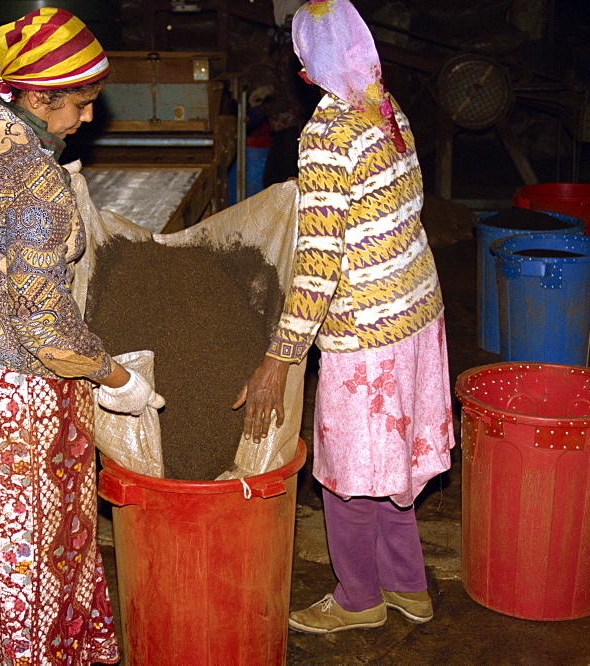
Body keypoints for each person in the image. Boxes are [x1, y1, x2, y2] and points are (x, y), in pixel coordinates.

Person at [0, 8, 162, 664]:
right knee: (25, 547)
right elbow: (46, 327)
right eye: (80, 104)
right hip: (10, 392)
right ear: (38, 94)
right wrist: (116, 378)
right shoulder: (34, 178)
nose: (87, 118)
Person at [233, 0, 456, 634]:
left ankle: (360, 597)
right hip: (415, 314)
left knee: (349, 475)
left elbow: (319, 262)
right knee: (388, 467)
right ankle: (408, 587)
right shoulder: (386, 107)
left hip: (367, 334)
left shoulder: (330, 132)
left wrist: (280, 357)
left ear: (310, 63)